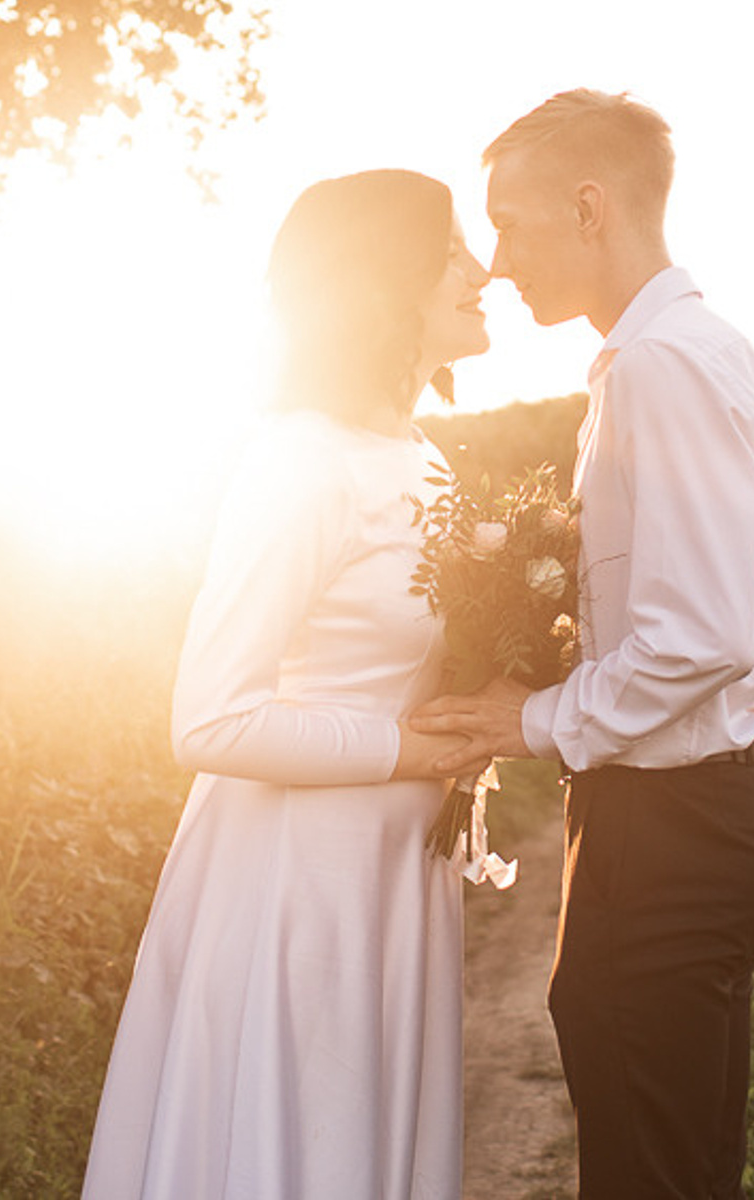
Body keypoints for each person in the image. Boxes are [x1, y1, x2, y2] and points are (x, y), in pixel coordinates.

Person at [412, 90, 754, 1200]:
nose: (494, 262)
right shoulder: (690, 352)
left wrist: (526, 719)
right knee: (678, 1167)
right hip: (692, 814)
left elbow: (698, 636)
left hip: (673, 824)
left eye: (509, 223)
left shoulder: (662, 367)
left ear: (589, 208)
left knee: (649, 1174)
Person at [81, 169, 492, 1200]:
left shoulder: (422, 459)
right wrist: (409, 751)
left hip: (399, 874)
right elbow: (211, 719)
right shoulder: (299, 463)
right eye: (450, 252)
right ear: (381, 282)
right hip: (300, 887)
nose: (480, 271)